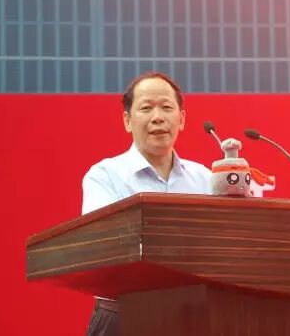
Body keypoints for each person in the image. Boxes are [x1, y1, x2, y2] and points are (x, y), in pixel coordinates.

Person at [81, 72, 212, 336]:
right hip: (124, 314)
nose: (157, 117)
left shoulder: (205, 179)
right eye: (146, 108)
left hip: (194, 315)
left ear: (181, 119)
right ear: (127, 121)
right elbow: (102, 247)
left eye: (166, 107)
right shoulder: (105, 176)